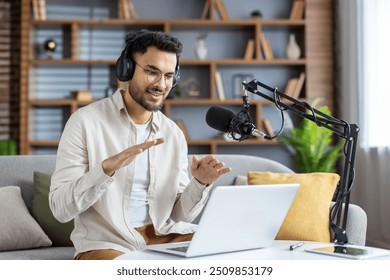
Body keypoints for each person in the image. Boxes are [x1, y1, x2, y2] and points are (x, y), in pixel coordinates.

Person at [49, 30, 232, 260]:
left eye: (168, 76)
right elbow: (60, 209)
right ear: (126, 68)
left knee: (226, 254)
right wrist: (105, 170)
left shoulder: (173, 133)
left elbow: (179, 215)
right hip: (107, 243)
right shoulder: (85, 122)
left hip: (162, 237)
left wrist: (200, 183)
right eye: (152, 72)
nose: (161, 84)